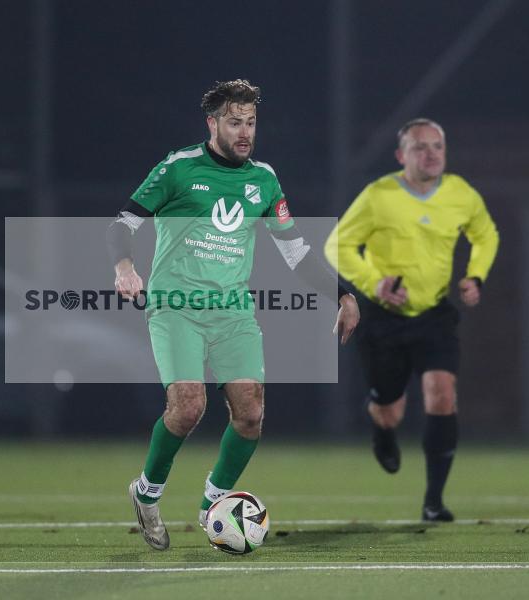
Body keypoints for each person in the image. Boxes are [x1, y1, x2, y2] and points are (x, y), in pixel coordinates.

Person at [108, 79, 360, 550]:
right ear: (212, 123)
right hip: (176, 306)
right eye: (234, 122)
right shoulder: (179, 168)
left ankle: (214, 506)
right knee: (188, 408)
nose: (244, 132)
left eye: (251, 123)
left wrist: (342, 294)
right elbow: (122, 224)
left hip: (233, 311)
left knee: (250, 415)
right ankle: (146, 494)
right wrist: (124, 267)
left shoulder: (263, 179)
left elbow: (296, 252)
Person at [324, 118, 499, 522]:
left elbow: (485, 233)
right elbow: (338, 244)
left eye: (437, 145)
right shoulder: (379, 195)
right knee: (391, 409)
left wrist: (475, 274)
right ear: (402, 156)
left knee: (442, 395)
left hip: (434, 315)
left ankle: (434, 502)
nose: (431, 153)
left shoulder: (460, 193)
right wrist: (374, 282)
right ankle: (381, 428)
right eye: (420, 147)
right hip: (384, 319)